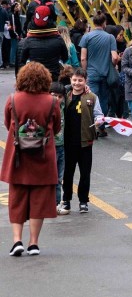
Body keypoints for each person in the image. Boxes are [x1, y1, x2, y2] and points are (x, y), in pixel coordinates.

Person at [1, 62, 61, 256]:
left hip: (18, 156)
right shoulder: (52, 101)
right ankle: (33, 243)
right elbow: (57, 127)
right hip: (43, 156)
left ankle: (17, 241)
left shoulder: (13, 99)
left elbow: (8, 123)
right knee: (39, 200)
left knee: (17, 199)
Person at [57, 68, 103, 215]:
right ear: (71, 80)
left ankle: (83, 201)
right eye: (74, 80)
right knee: (68, 174)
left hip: (85, 142)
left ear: (86, 81)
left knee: (85, 173)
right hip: (68, 142)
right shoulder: (65, 95)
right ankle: (67, 200)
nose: (77, 83)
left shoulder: (92, 97)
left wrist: (98, 122)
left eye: (80, 80)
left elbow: (99, 114)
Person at [79, 13, 119, 137]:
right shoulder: (110, 37)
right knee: (103, 101)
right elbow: (115, 57)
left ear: (93, 23)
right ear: (104, 23)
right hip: (105, 73)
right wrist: (113, 64)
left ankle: (91, 128)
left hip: (91, 73)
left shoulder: (86, 37)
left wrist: (85, 72)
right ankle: (101, 127)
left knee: (91, 100)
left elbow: (83, 58)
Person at [50, 82, 66, 210]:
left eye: (60, 96)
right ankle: (48, 203)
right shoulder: (47, 109)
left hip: (62, 147)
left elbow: (70, 88)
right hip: (50, 148)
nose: (57, 99)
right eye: (53, 95)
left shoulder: (64, 107)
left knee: (59, 178)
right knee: (50, 177)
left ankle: (56, 204)